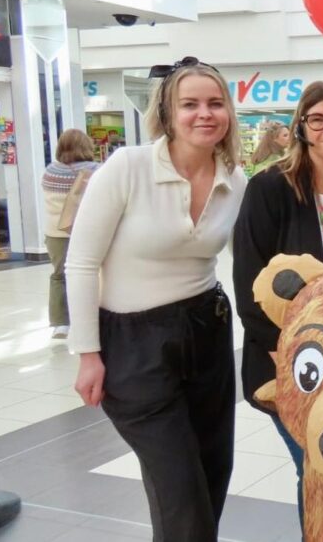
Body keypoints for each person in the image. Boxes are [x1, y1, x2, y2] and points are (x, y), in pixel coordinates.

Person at [67, 56, 246, 542]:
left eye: (215, 103)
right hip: (134, 346)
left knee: (211, 477)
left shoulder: (235, 181)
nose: (204, 114)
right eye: (189, 105)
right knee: (179, 491)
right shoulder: (127, 167)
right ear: (167, 114)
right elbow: (81, 263)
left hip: (207, 332)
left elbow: (253, 258)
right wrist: (88, 354)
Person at [232, 80, 323, 535]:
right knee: (315, 467)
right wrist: (285, 357)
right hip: (291, 364)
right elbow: (251, 284)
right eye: (318, 119)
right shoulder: (270, 189)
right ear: (303, 128)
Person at [41, 129, 99, 340]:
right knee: (92, 274)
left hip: (55, 234)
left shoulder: (50, 171)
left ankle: (60, 324)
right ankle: (92, 319)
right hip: (88, 231)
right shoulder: (95, 171)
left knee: (59, 276)